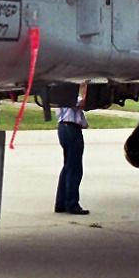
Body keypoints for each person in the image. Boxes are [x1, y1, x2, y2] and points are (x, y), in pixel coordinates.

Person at [55, 85, 89, 215]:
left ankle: (61, 202)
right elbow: (83, 102)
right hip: (72, 129)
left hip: (64, 128)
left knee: (68, 166)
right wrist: (85, 87)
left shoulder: (60, 98)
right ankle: (72, 203)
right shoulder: (68, 97)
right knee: (75, 168)